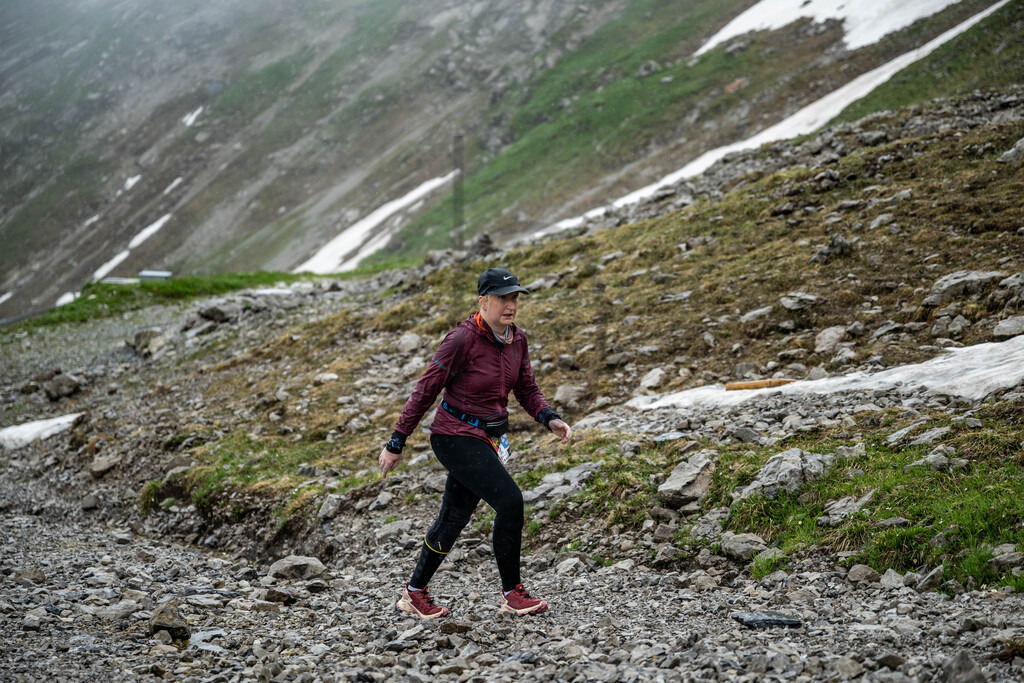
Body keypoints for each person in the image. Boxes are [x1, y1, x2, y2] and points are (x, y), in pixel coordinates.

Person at [379, 267, 572, 619]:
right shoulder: (461, 340)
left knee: (454, 516)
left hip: (488, 438)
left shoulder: (518, 340)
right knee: (510, 501)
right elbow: (425, 391)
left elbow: (526, 389)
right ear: (483, 300)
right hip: (453, 436)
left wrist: (549, 417)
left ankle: (413, 593)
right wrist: (396, 441)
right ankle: (512, 593)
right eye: (503, 298)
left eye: (514, 297)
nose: (510, 305)